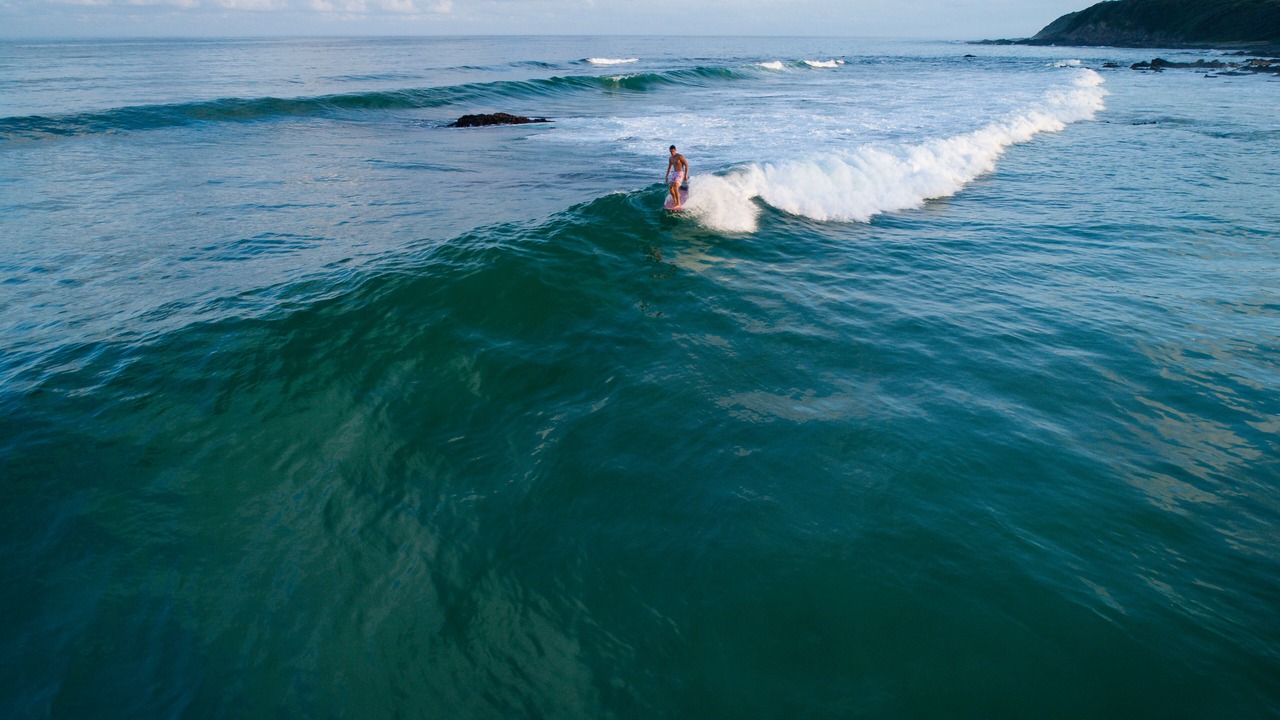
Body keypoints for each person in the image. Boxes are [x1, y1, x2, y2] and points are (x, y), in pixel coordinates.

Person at [665, 145, 689, 210]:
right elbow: (669, 167)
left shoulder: (680, 157)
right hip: (675, 173)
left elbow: (687, 165)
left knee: (675, 188)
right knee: (671, 189)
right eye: (670, 151)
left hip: (680, 173)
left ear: (675, 150)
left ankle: (678, 203)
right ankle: (675, 199)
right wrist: (666, 176)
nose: (672, 153)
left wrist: (686, 175)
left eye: (673, 151)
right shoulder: (670, 158)